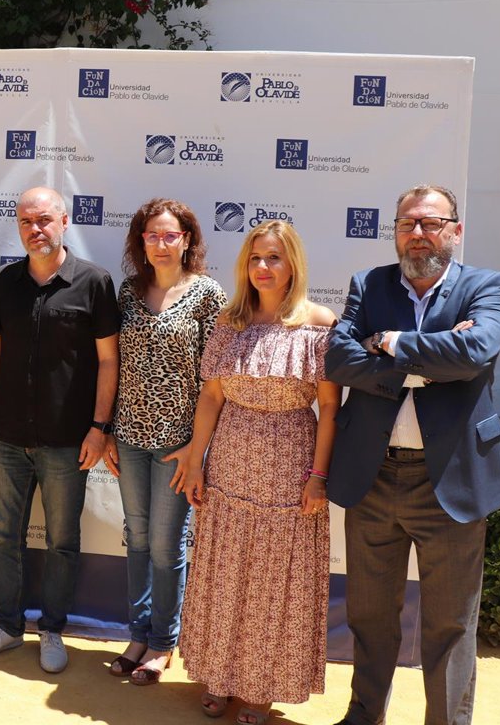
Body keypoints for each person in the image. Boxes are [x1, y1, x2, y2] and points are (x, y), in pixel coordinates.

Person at [325, 185, 500, 725]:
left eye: (430, 224)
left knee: (450, 624)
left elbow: (474, 351)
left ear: (455, 230)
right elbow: (338, 359)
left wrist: (386, 342)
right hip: (374, 474)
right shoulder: (369, 284)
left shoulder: (486, 286)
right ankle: (364, 715)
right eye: (407, 224)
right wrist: (425, 367)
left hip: (451, 479)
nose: (417, 234)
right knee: (369, 616)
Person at [173, 220, 338, 724]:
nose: (263, 267)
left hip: (289, 469)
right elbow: (211, 396)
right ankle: (219, 675)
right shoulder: (230, 322)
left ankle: (260, 686)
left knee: (274, 584)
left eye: (274, 258)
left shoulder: (318, 323)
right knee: (224, 576)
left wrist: (318, 476)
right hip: (229, 466)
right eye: (255, 258)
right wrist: (196, 462)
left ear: (293, 264)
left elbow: (330, 407)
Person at [0, 186, 119, 674]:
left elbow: (109, 361)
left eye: (45, 219)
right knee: (4, 538)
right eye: (26, 221)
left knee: (61, 542)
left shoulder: (94, 282)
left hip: (67, 441)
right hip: (7, 435)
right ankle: (8, 628)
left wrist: (99, 428)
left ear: (64, 222)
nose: (36, 229)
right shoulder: (3, 281)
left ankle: (52, 629)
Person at [104, 199, 226, 686]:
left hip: (179, 444)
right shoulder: (128, 292)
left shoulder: (207, 295)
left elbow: (215, 381)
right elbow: (114, 365)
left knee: (165, 544)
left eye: (169, 235)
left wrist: (197, 449)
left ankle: (162, 642)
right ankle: (138, 634)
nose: (160, 244)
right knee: (137, 539)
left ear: (187, 240)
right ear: (141, 241)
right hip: (129, 437)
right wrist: (108, 431)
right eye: (151, 235)